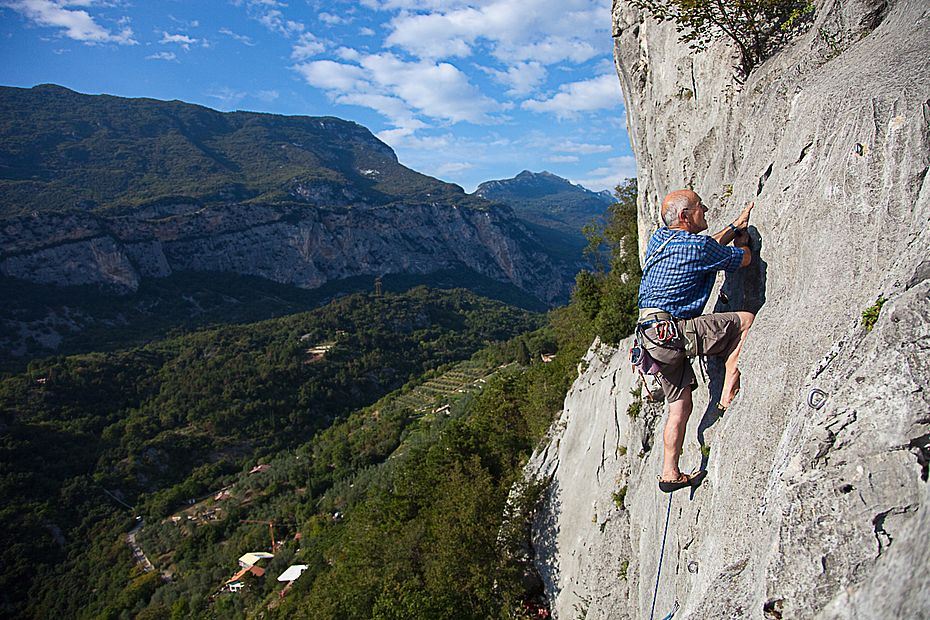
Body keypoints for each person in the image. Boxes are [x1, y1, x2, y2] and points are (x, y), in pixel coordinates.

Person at [636, 189, 755, 493]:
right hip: (673, 333)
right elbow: (742, 260)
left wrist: (732, 225)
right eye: (700, 207)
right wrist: (742, 238)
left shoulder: (659, 240)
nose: (706, 209)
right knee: (744, 322)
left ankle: (669, 473)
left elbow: (706, 248)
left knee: (679, 405)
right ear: (686, 217)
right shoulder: (697, 247)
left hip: (650, 338)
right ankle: (728, 392)